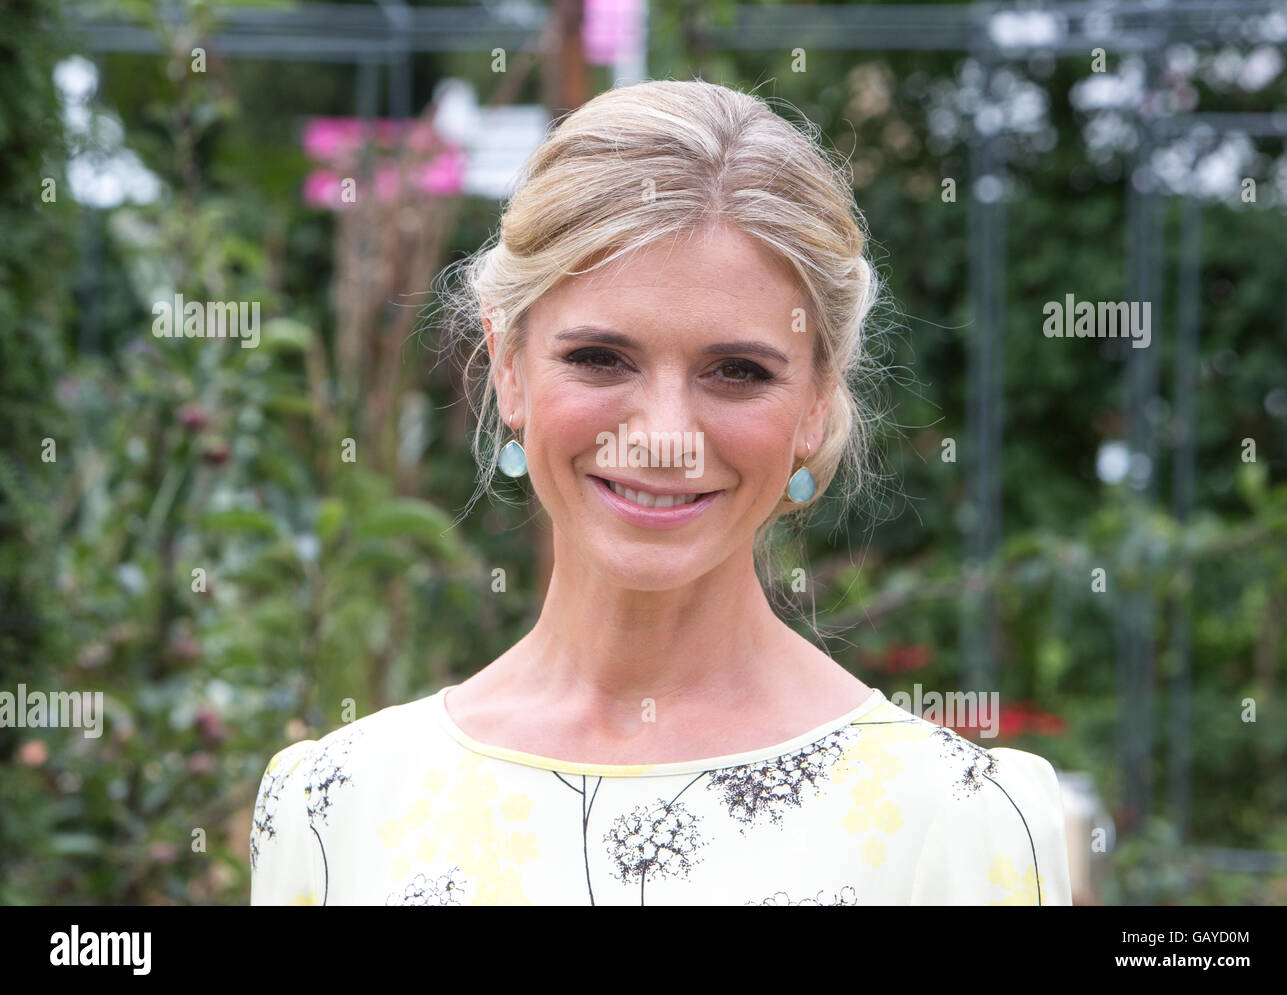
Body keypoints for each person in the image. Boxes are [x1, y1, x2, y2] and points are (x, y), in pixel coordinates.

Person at [250, 78, 1071, 906]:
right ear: (507, 364)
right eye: (601, 358)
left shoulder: (956, 820)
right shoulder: (337, 807)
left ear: (817, 400)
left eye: (738, 371)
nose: (663, 435)